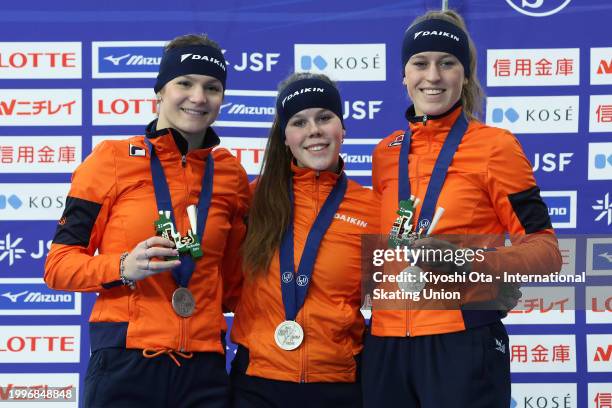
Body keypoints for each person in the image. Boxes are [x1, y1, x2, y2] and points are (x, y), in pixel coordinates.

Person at [362, 10, 562, 408]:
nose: (432, 76)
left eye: (447, 63)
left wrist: (470, 262)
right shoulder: (385, 153)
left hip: (461, 338)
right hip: (385, 343)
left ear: (465, 75)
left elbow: (546, 250)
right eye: (420, 63)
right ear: (404, 74)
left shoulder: (496, 147)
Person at [44, 34, 249, 408]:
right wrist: (124, 265)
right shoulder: (111, 160)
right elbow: (58, 266)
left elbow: (234, 281)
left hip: (204, 367)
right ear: (159, 92)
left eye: (212, 87)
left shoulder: (231, 174)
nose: (198, 97)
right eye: (184, 83)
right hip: (125, 362)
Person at [229, 72, 380, 408]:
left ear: (342, 128)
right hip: (257, 385)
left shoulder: (374, 208)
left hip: (340, 385)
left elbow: (401, 297)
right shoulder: (250, 202)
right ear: (284, 137)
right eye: (299, 121)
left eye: (324, 118)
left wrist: (501, 287)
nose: (314, 130)